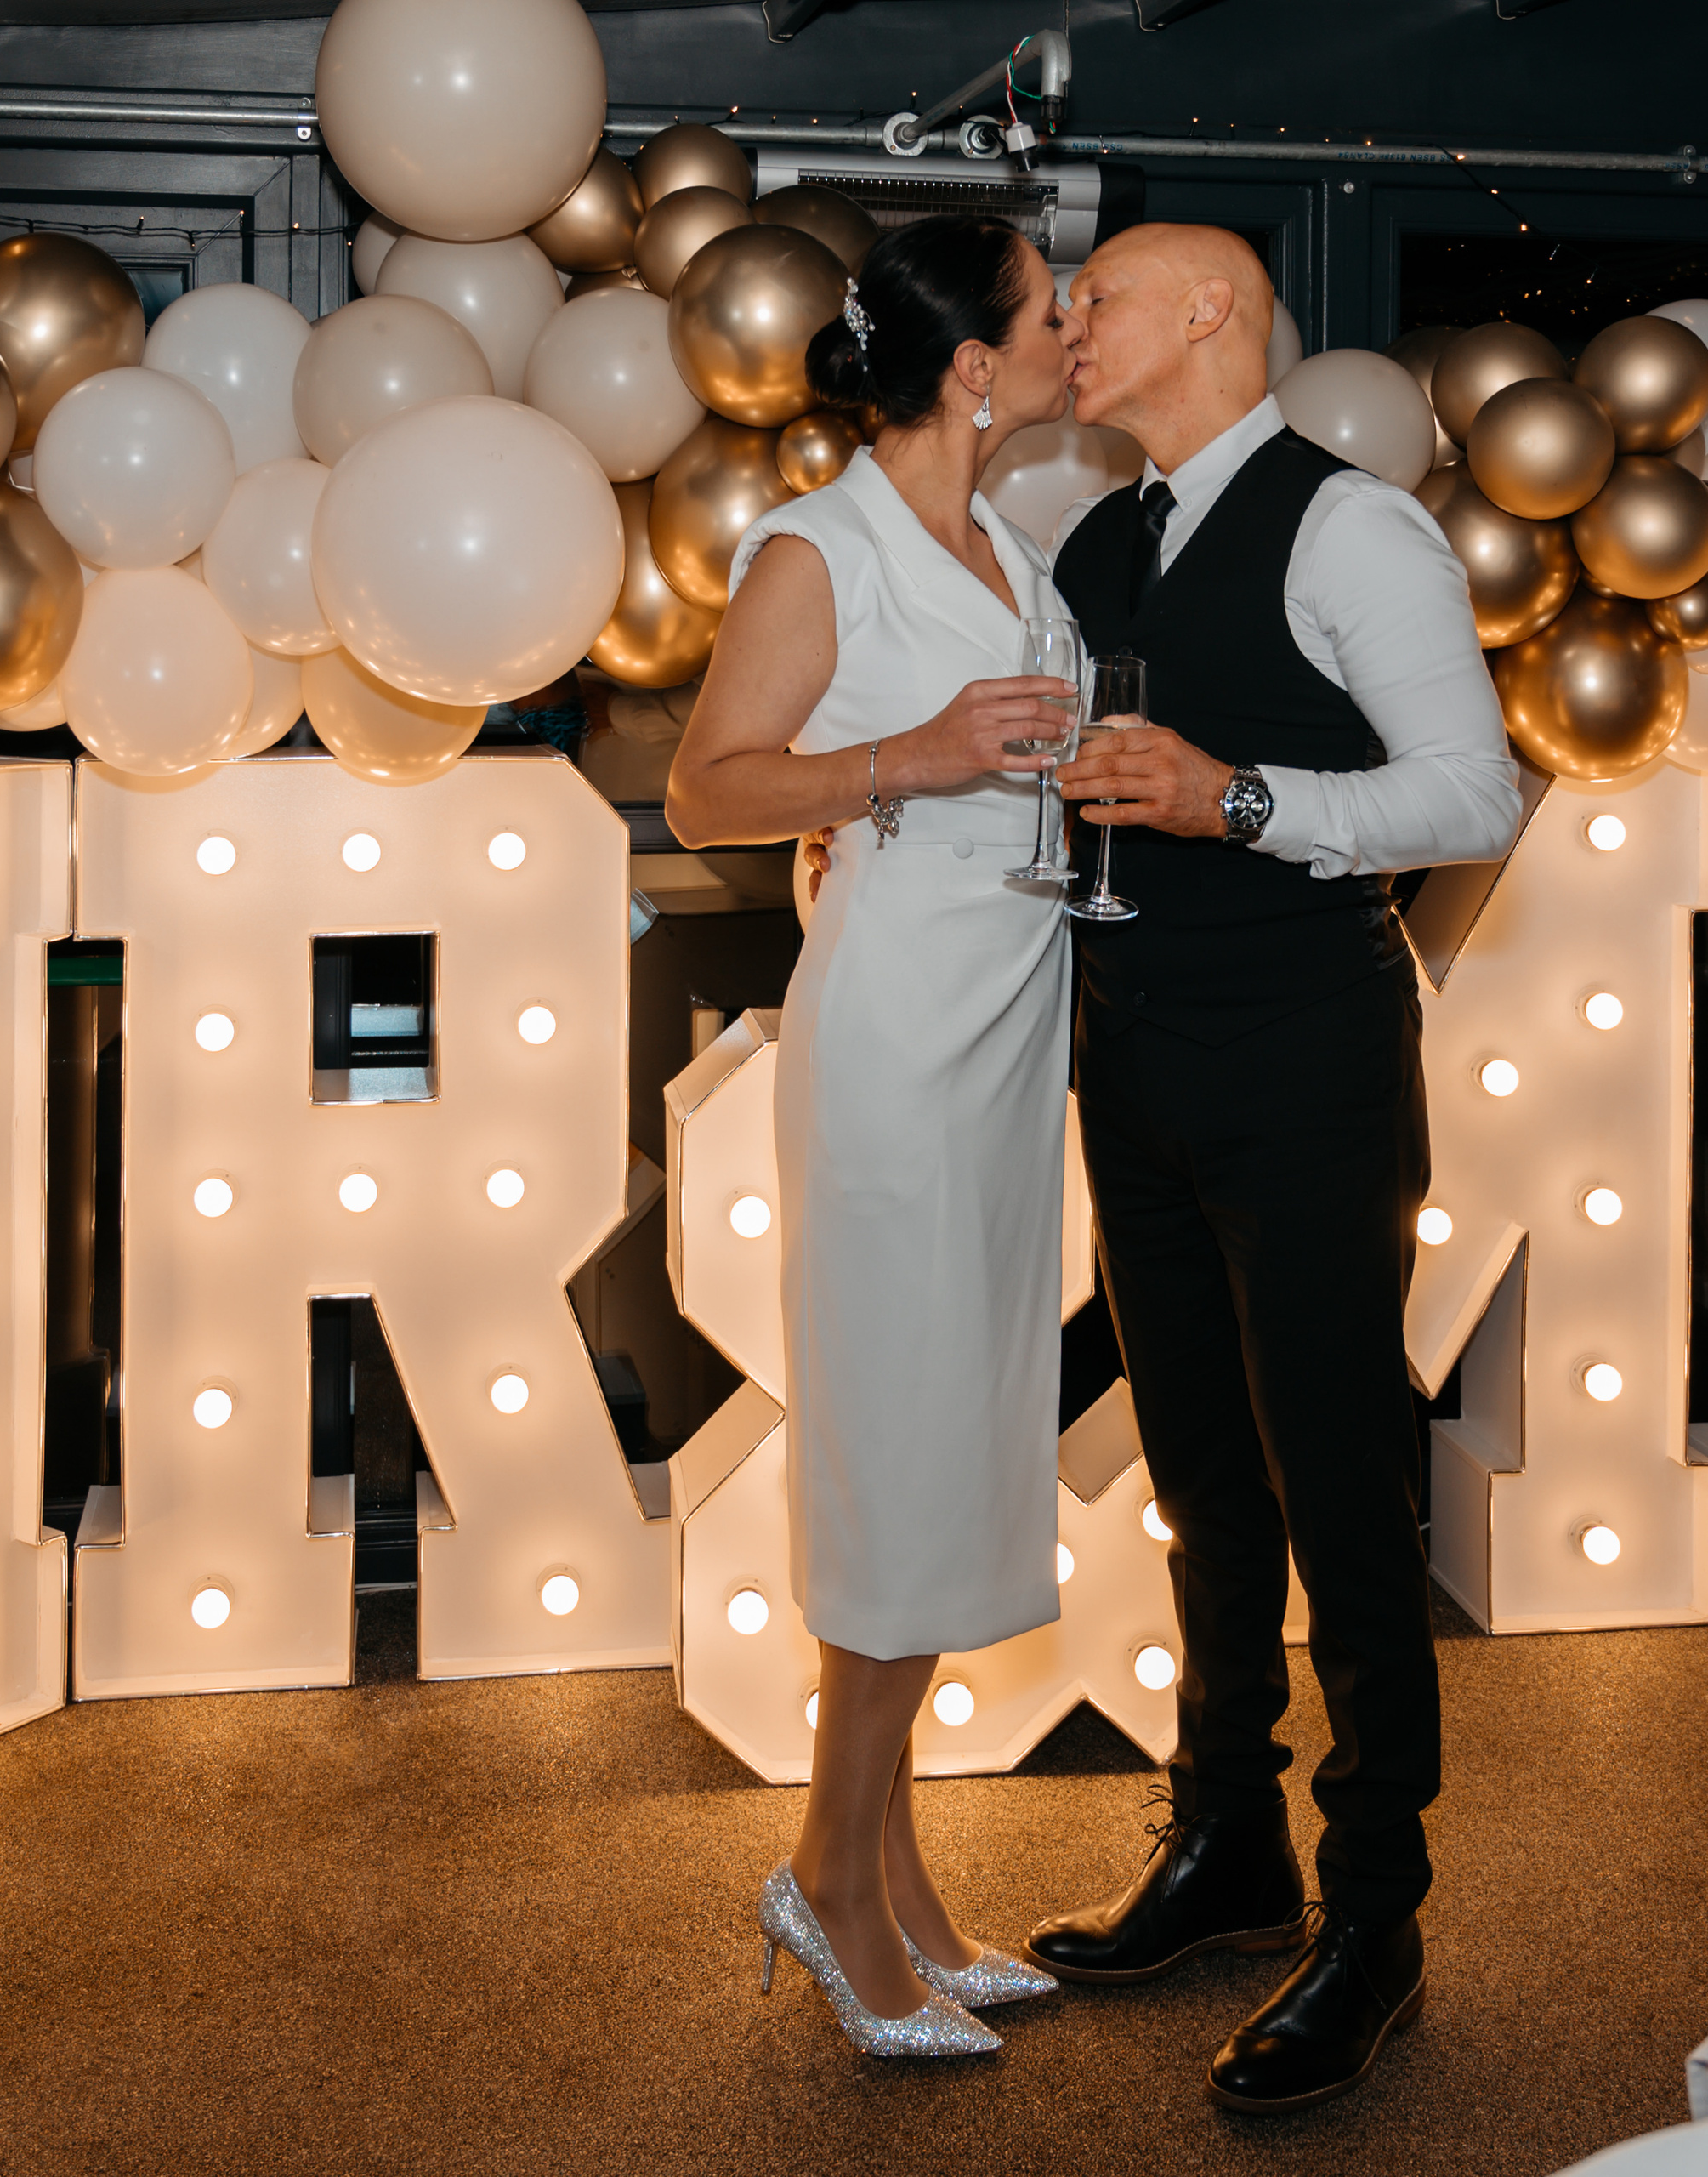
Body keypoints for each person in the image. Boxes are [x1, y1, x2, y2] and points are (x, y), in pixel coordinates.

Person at [1018, 225, 1524, 2114]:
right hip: (1130, 1060)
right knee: (1202, 1482)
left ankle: (1372, 1915)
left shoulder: (1351, 530)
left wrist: (1235, 797)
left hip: (1308, 1066)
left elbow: (1468, 791)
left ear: (1212, 311)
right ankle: (1228, 1839)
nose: (1070, 330)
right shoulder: (1096, 543)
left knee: (1335, 1487)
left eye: (1100, 301)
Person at [665, 217, 1084, 2060]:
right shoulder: (814, 547)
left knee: (961, 1432)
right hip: (902, 1036)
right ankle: (832, 1874)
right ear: (975, 364)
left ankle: (896, 1870)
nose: (1076, 332)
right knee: (904, 1440)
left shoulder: (1008, 538)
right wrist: (899, 761)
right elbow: (703, 786)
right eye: (1052, 310)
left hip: (1004, 1025)